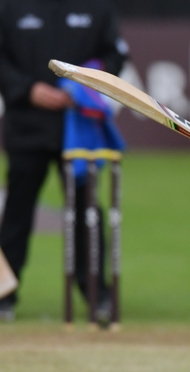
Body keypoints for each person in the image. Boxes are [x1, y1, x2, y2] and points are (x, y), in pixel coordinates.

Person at [0, 0, 128, 323]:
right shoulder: (11, 7)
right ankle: (4, 296)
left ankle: (97, 295)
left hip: (78, 129)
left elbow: (114, 55)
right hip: (26, 127)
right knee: (17, 212)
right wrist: (27, 89)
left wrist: (82, 84)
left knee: (87, 211)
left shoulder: (97, 8)